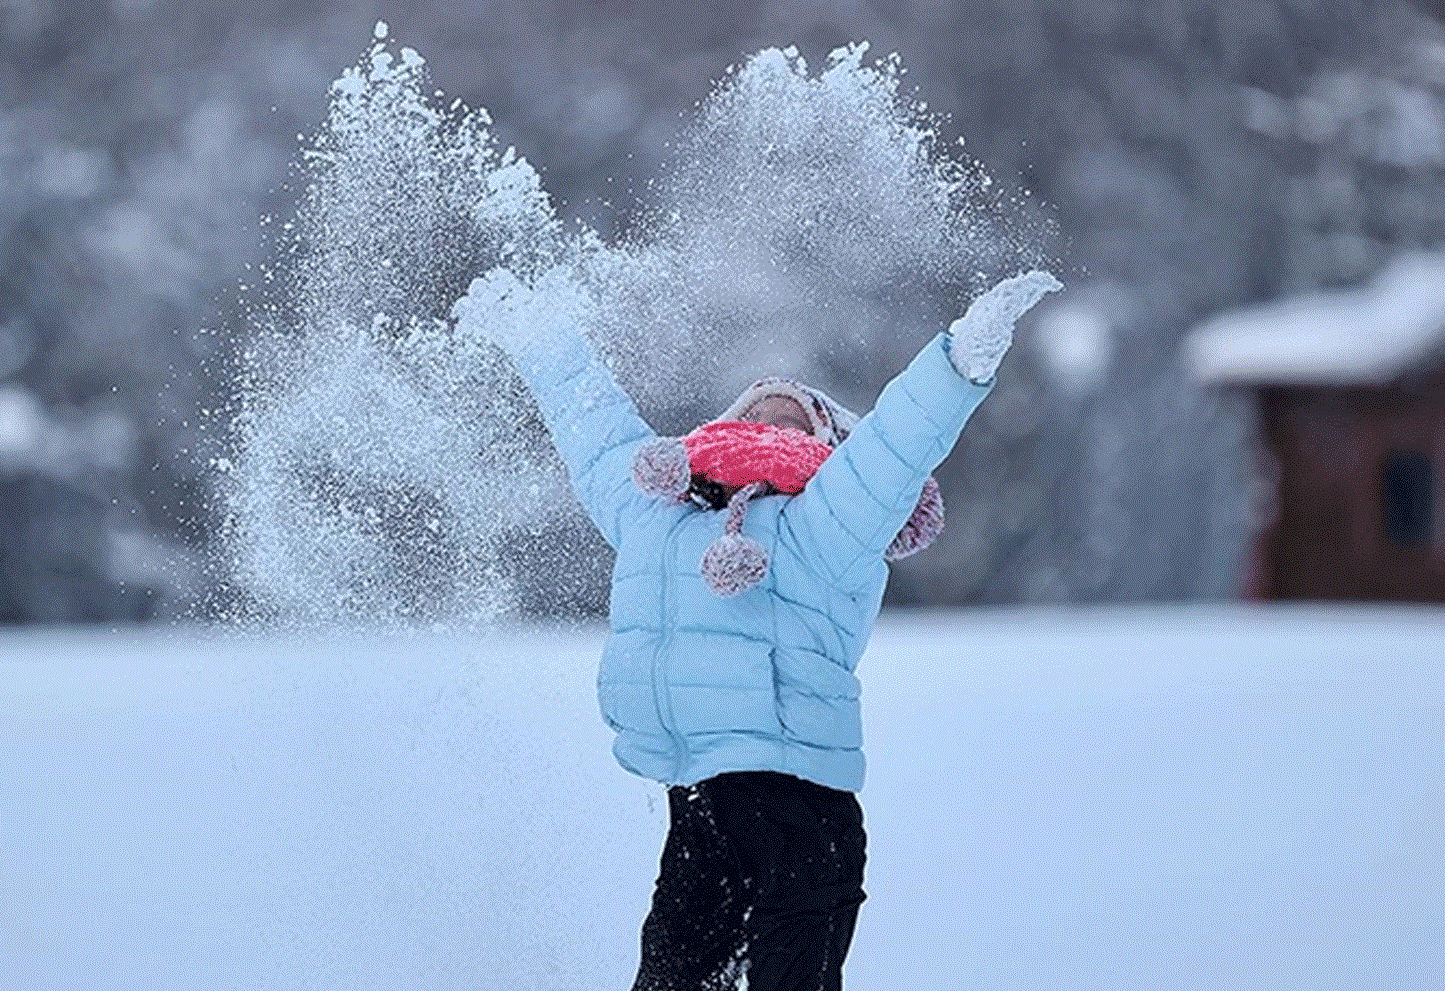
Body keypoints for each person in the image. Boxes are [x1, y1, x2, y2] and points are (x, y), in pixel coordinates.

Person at [452, 265, 1061, 991]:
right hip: (701, 808)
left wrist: (959, 360)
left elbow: (895, 446)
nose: (771, 426)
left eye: (793, 419)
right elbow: (596, 431)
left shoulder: (831, 522)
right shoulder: (659, 515)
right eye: (756, 415)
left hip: (802, 812)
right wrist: (539, 339)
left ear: (830, 445)